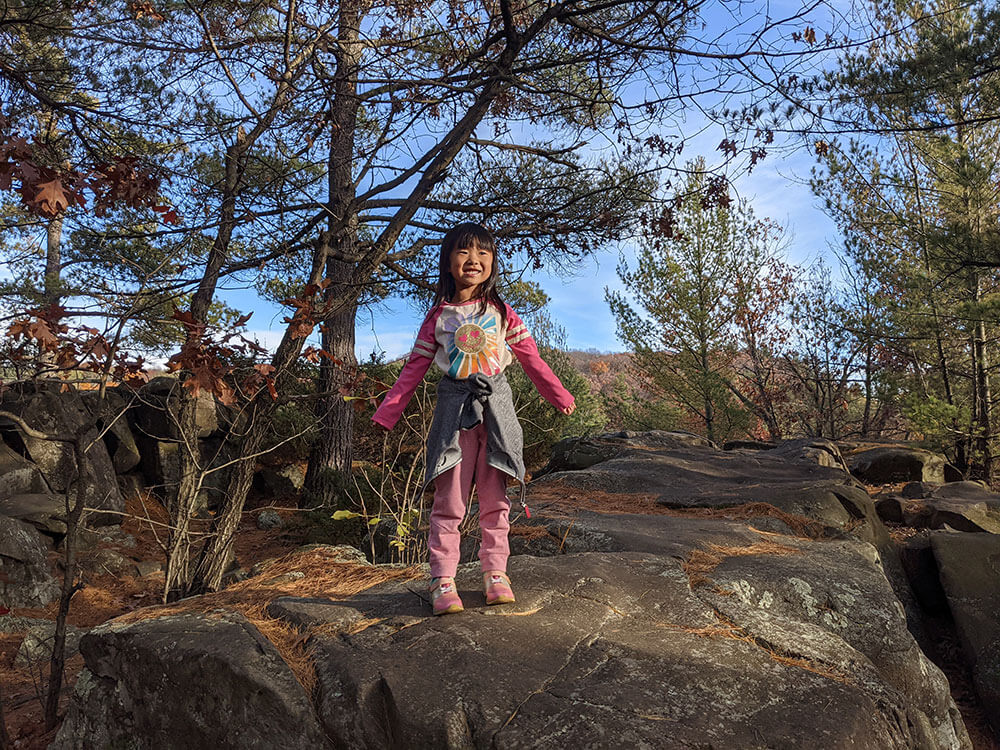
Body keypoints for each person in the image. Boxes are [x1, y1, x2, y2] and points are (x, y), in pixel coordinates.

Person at [372, 222, 576, 615]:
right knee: (450, 499)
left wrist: (558, 395)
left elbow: (532, 359)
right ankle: (442, 578)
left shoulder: (501, 312)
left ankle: (495, 573)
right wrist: (388, 413)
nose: (474, 260)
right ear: (448, 261)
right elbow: (414, 368)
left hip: (497, 412)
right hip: (454, 414)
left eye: (483, 253)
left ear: (493, 262)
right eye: (464, 252)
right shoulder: (439, 316)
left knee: (495, 497)